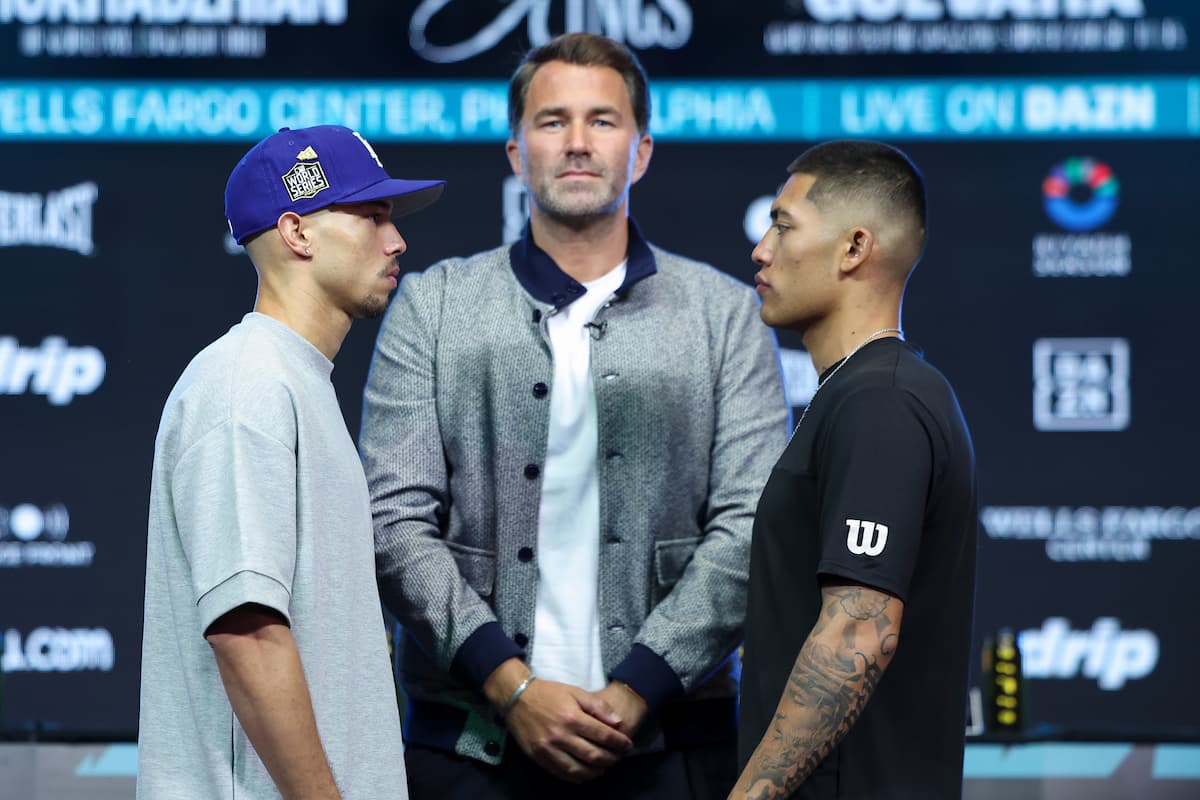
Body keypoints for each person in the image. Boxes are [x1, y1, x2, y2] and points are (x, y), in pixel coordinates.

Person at [359, 32, 789, 800]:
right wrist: (509, 684)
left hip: (673, 743)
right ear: (516, 152)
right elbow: (392, 523)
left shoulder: (725, 314)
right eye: (553, 121)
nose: (579, 142)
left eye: (604, 120)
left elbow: (754, 525)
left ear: (643, 151)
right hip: (467, 745)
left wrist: (641, 685)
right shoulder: (434, 304)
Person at [137, 124, 444, 800]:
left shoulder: (293, 382)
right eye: (372, 215)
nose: (396, 241)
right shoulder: (247, 385)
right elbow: (246, 634)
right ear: (298, 234)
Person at [731, 140, 978, 800]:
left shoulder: (880, 403)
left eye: (782, 226)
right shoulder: (858, 394)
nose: (760, 250)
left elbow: (858, 631)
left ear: (853, 248)